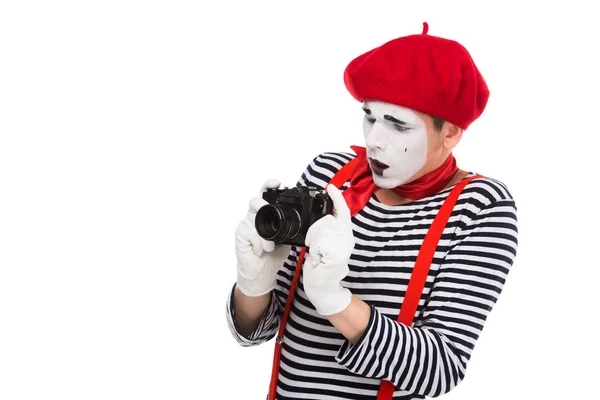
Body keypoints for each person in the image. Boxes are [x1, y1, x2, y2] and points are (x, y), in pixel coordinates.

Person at [225, 22, 519, 400]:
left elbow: (441, 368)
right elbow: (259, 330)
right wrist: (253, 283)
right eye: (370, 117)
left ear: (451, 133)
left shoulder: (480, 207)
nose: (375, 141)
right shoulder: (328, 175)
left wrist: (337, 301)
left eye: (398, 126)